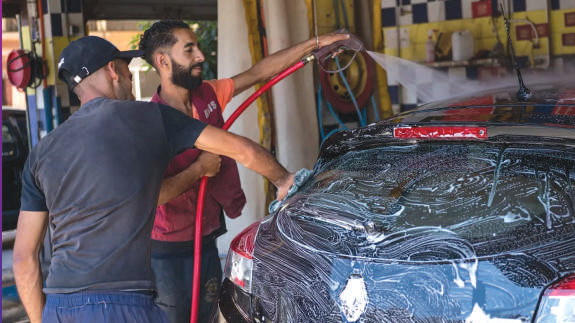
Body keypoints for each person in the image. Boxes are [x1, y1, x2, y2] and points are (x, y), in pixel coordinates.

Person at [12, 36, 295, 323]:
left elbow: (23, 259)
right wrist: (284, 180)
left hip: (60, 306)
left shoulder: (42, 153)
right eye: (126, 69)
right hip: (123, 303)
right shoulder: (149, 117)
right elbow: (241, 149)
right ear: (113, 70)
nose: (129, 78)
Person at [137, 20, 349, 323]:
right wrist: (199, 169)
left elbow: (260, 72)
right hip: (170, 249)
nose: (200, 55)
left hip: (207, 237)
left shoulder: (208, 94)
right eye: (189, 50)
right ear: (163, 61)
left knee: (211, 314)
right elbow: (153, 196)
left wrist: (315, 44)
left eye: (197, 46)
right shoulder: (151, 122)